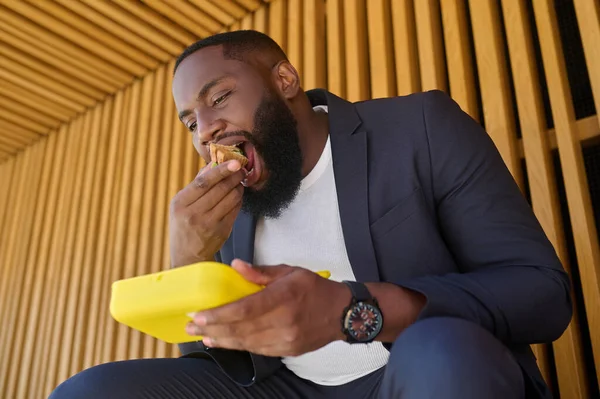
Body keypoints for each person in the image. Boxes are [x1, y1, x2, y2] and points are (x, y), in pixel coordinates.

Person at [50, 30, 572, 399]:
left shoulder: (419, 128)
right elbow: (215, 369)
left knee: (442, 350)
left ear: (284, 79)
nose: (205, 129)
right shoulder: (225, 211)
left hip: (419, 377)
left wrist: (353, 310)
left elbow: (542, 294)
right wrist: (190, 260)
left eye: (220, 97)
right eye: (190, 121)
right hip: (291, 389)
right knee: (88, 391)